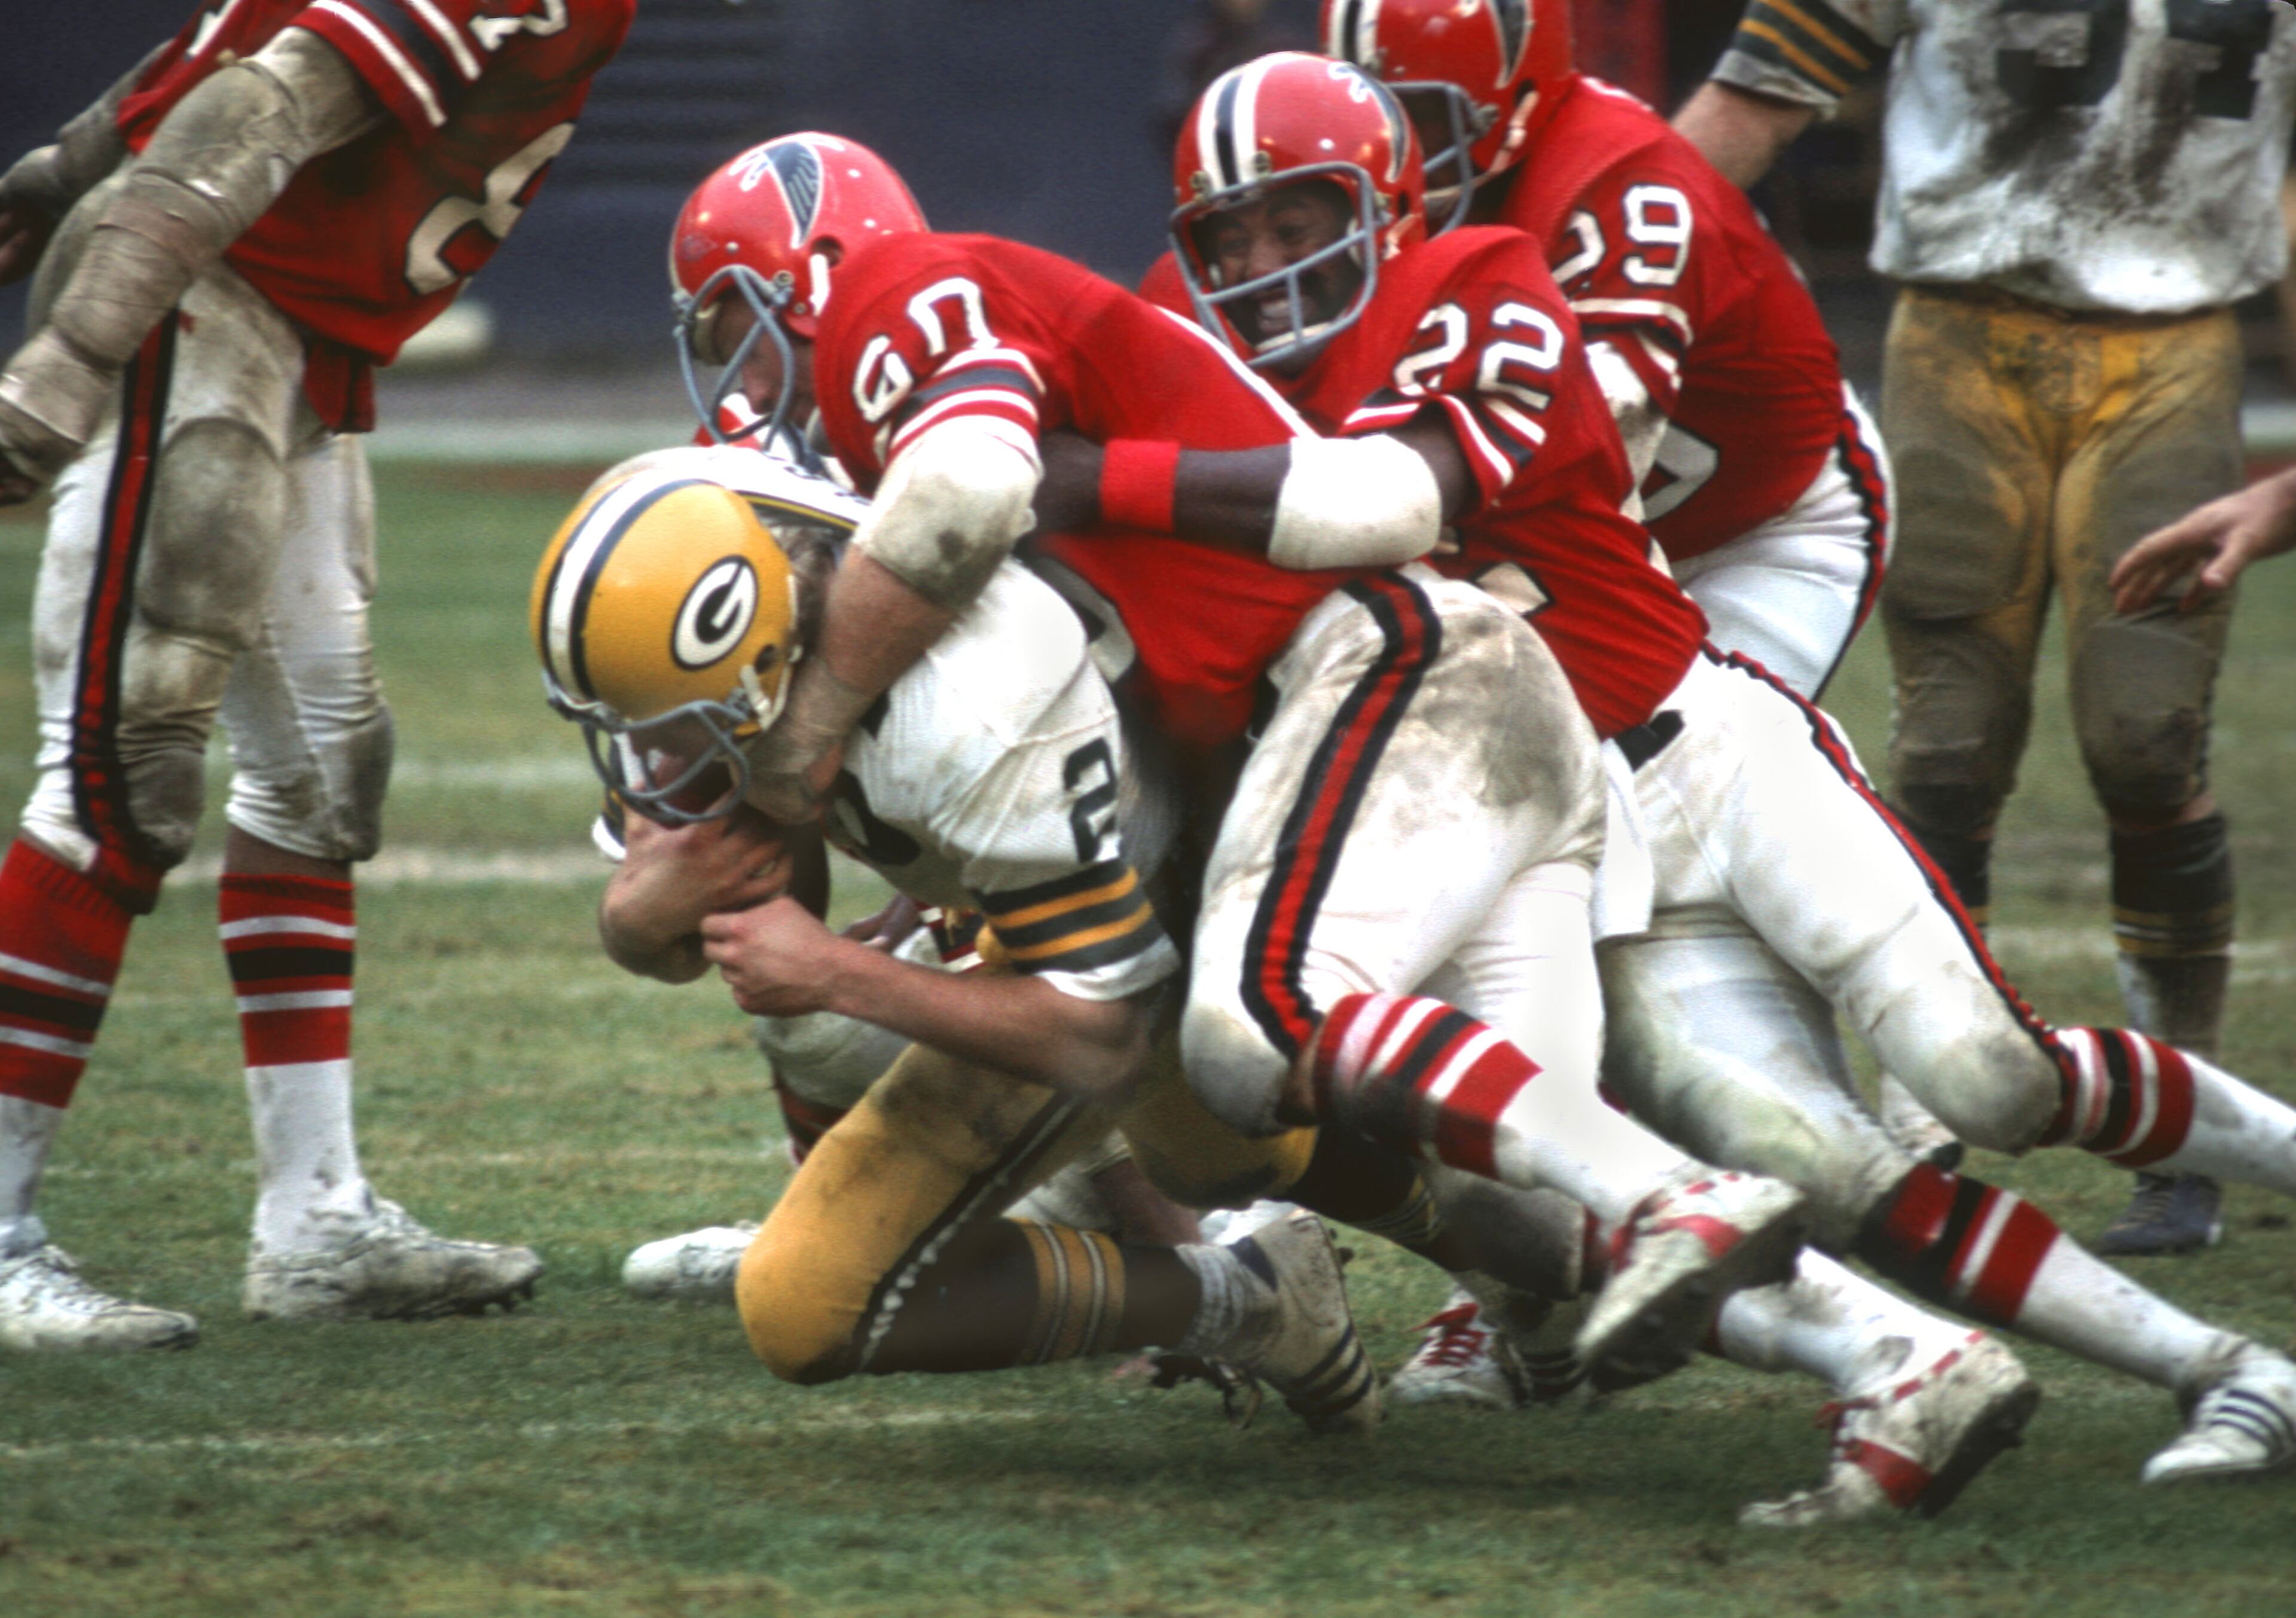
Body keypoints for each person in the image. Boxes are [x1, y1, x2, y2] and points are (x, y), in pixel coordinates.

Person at [1129, 50, 2296, 1489]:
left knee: (1993, 1079)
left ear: (1385, 205)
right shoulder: (1208, 383)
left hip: (1712, 751)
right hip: (1574, 847)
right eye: (1226, 241)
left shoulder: (1480, 276)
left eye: (1299, 223)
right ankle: (2233, 1372)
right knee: (1825, 1168)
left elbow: (1367, 503)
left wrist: (1095, 473)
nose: (1263, 268)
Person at [676, 127, 1820, 1393]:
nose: (735, 375)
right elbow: (654, 899)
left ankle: (1829, 1315)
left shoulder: (919, 327)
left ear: (823, 282)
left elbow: (980, 490)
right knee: (845, 1272)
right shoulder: (773, 537)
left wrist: (831, 880)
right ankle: (1276, 1291)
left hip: (1361, 728)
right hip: (1151, 857)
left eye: (739, 326)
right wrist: (707, 874)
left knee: (1279, 1068)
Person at [0, 0, 636, 1350]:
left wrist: (65, 162)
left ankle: (316, 1221)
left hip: (291, 329)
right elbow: (259, 107)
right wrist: (70, 356)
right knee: (119, 776)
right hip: (199, 303)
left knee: (319, 781)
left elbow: (223, 48)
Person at [534, 441, 1383, 1430]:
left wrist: (836, 971)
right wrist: (640, 914)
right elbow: (698, 905)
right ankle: (1248, 1295)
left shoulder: (966, 703)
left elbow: (1101, 1031)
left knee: (1235, 1145)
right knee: (803, 1294)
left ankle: (1532, 1256)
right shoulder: (687, 540)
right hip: (1049, 939)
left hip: (1179, 911)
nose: (648, 752)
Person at [1676, 0, 2296, 1257]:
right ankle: (1919, 1110)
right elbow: (1745, 115)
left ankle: (2181, 1138)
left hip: (2172, 347)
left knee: (2144, 737)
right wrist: (1610, 259)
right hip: (1957, 338)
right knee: (1949, 748)